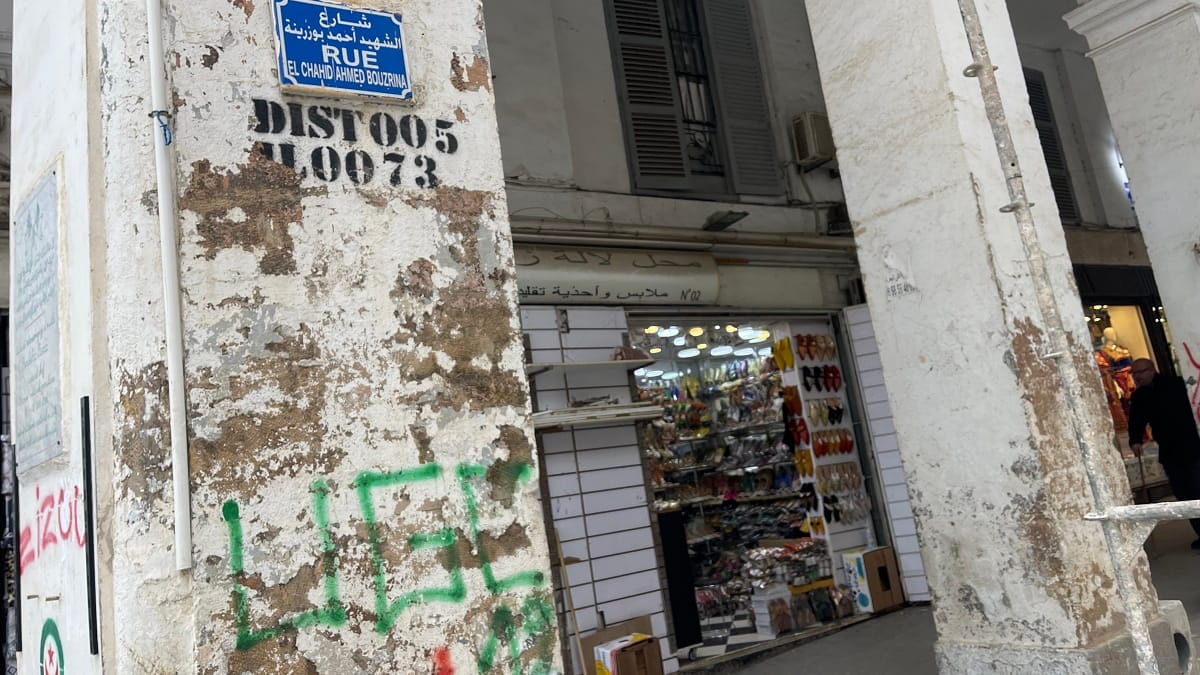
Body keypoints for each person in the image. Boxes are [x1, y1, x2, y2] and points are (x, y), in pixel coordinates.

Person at [1128, 358, 1200, 548]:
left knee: (1197, 489)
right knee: (1183, 494)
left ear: (1152, 370)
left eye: (1141, 372)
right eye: (1134, 373)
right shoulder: (1140, 396)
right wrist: (1135, 440)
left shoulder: (1175, 384)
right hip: (1170, 450)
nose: (1137, 376)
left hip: (1193, 445)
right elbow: (1136, 419)